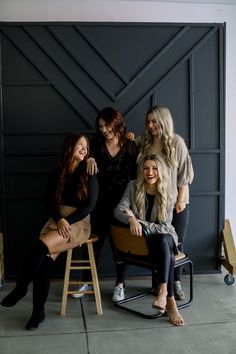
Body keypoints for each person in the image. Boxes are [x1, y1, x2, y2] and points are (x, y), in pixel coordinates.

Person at [1, 134, 98, 330]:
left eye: (86, 146)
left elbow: (89, 206)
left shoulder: (89, 172)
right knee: (43, 263)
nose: (83, 148)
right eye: (79, 144)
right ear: (69, 147)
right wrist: (59, 219)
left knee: (37, 247)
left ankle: (21, 288)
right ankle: (38, 314)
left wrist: (66, 221)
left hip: (78, 223)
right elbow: (49, 203)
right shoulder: (56, 173)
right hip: (56, 220)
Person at [71, 107, 138, 300]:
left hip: (123, 205)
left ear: (116, 123)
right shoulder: (95, 145)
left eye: (107, 125)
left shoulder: (130, 145)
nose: (103, 129)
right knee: (93, 247)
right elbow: (81, 160)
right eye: (100, 126)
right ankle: (86, 281)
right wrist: (88, 159)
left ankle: (120, 285)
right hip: (99, 204)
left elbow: (138, 173)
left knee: (122, 248)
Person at [114, 153, 184, 326]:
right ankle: (170, 300)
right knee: (161, 244)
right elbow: (118, 211)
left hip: (165, 239)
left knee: (163, 239)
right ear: (141, 170)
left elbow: (165, 227)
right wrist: (130, 219)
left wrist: (139, 221)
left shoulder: (169, 191)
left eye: (154, 168)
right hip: (144, 244)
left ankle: (163, 293)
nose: (150, 172)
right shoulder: (132, 186)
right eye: (146, 168)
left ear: (160, 171)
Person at [137, 105, 194, 300]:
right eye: (148, 122)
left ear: (164, 121)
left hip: (176, 203)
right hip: (154, 201)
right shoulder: (144, 142)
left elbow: (184, 175)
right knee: (158, 241)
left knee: (177, 242)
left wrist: (180, 200)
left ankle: (176, 282)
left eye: (154, 121)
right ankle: (160, 285)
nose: (151, 125)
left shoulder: (176, 142)